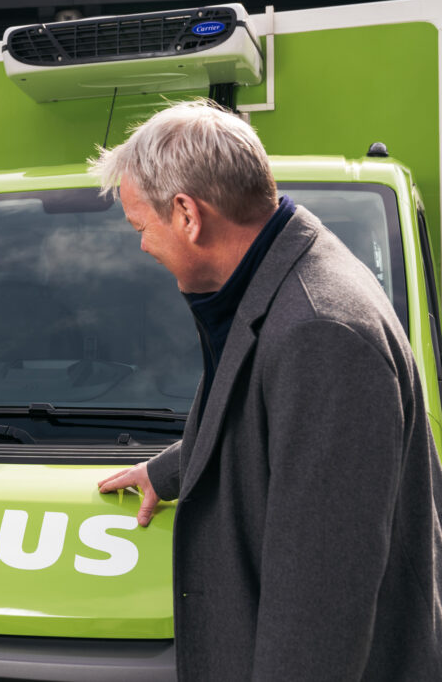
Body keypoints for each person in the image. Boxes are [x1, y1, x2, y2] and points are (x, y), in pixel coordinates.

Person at [92, 100, 442, 680]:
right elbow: (273, 419)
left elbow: (317, 617)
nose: (142, 246)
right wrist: (172, 469)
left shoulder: (321, 333)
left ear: (187, 214)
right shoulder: (279, 276)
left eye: (140, 227)